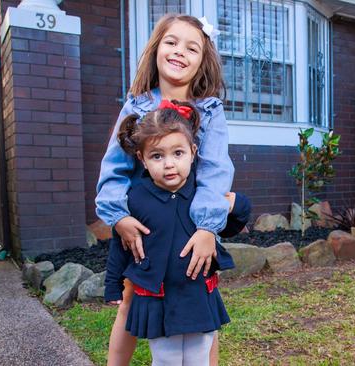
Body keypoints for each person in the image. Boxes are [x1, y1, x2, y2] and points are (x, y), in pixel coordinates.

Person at [95, 14, 232, 365]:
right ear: (156, 48)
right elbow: (114, 168)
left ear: (202, 60)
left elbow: (216, 171)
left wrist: (207, 228)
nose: (179, 52)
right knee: (130, 299)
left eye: (192, 47)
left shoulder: (211, 110)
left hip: (193, 226)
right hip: (146, 225)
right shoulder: (136, 106)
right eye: (171, 42)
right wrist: (119, 217)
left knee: (202, 302)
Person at [104, 101, 248, 365]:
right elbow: (120, 245)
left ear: (193, 152)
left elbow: (232, 224)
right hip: (158, 298)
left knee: (198, 358)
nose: (169, 164)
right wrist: (112, 285)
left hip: (197, 295)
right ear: (142, 160)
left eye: (178, 153)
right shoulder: (136, 200)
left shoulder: (203, 195)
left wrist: (236, 204)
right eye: (157, 156)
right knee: (166, 359)